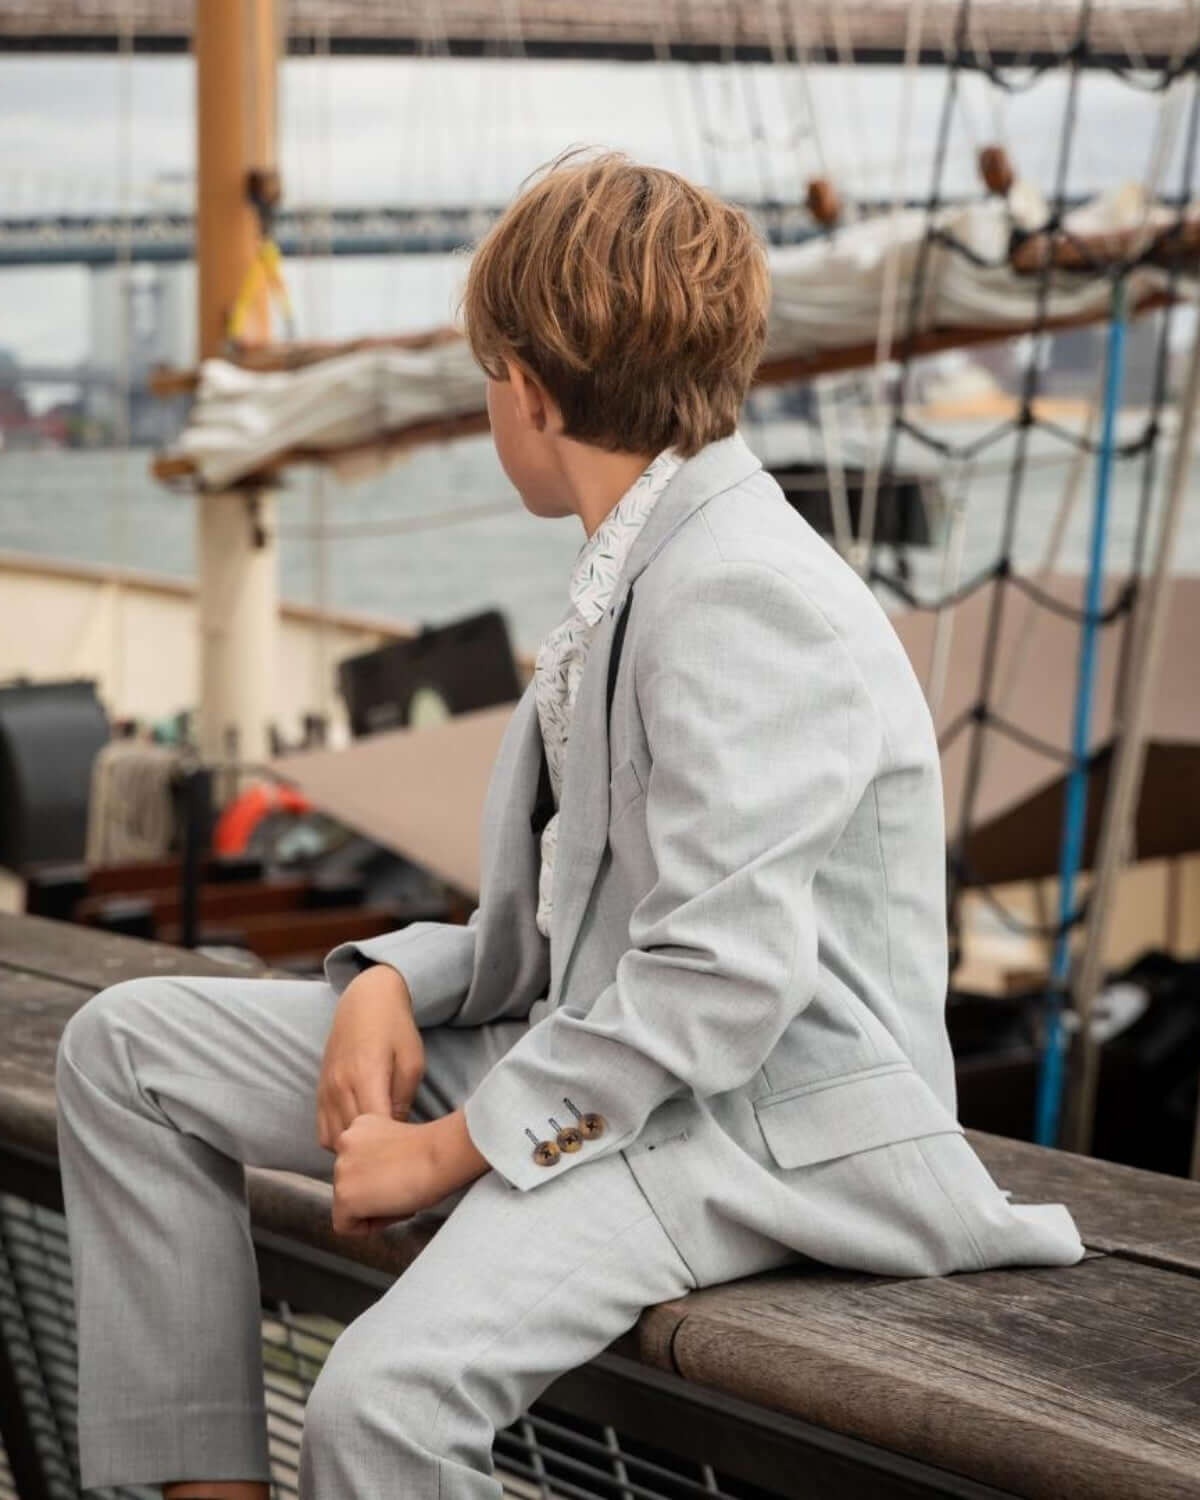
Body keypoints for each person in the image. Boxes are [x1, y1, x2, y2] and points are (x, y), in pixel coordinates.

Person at [55, 149, 1086, 1500]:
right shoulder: (640, 567)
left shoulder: (739, 594)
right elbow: (561, 923)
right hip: (603, 1054)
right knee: (126, 1050)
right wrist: (385, 986)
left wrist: (438, 1150)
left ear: (530, 391)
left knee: (375, 1412)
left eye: (490, 374)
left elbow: (720, 985)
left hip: (746, 1125)